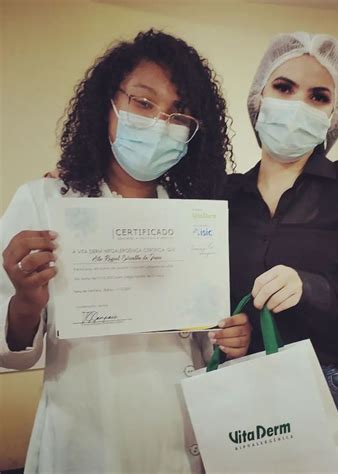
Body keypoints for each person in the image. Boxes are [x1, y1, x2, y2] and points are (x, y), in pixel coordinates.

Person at [0, 29, 251, 473]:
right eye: (143, 103)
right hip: (86, 436)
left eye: (179, 114)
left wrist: (230, 340)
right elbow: (11, 349)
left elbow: (204, 337)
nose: (159, 124)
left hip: (179, 437)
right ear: (108, 105)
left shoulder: (193, 219)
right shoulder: (45, 202)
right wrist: (25, 302)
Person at [224, 32, 338, 474]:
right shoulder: (222, 196)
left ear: (333, 114)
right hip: (248, 392)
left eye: (318, 96)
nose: (298, 104)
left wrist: (312, 289)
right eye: (284, 88)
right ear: (258, 97)